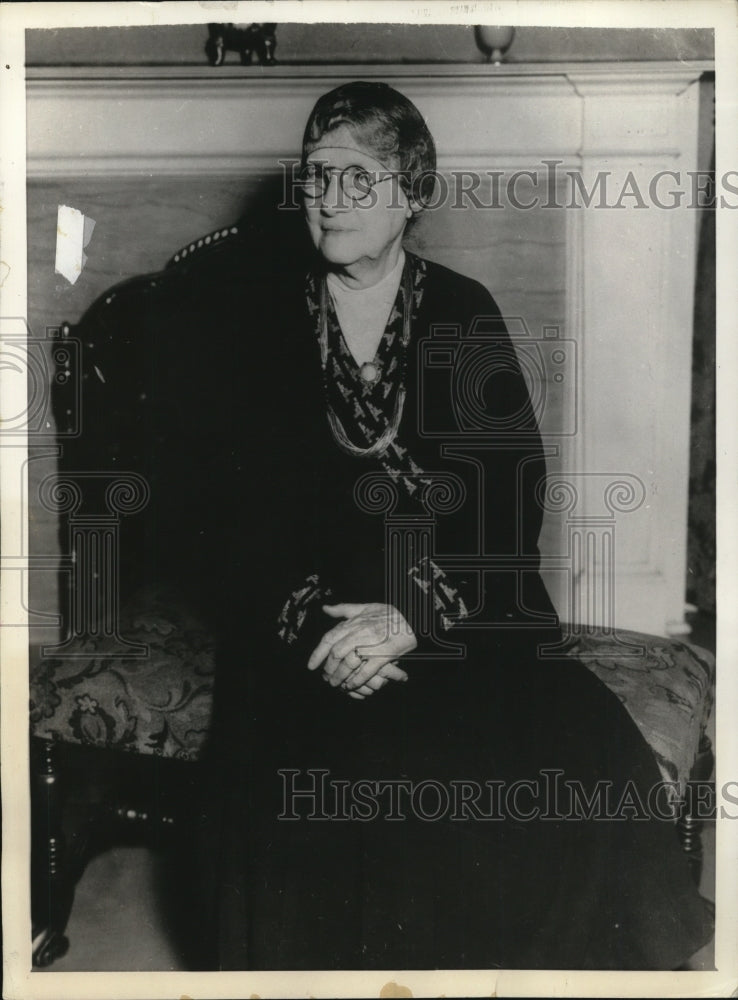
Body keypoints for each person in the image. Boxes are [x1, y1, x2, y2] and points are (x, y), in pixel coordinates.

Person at [188, 80, 713, 971]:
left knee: (566, 745)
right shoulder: (255, 319)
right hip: (301, 620)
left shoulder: (462, 312)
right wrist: (326, 632)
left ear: (412, 192)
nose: (330, 200)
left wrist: (410, 619)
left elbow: (511, 491)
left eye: (358, 179)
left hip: (455, 603)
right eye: (317, 177)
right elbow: (225, 512)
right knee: (321, 777)